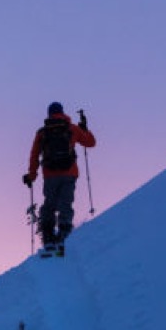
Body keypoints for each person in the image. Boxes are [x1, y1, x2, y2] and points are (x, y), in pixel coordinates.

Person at [24, 102, 97, 257]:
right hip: (69, 173)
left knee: (49, 204)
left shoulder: (42, 132)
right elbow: (91, 143)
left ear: (49, 114)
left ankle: (49, 239)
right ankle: (64, 237)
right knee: (66, 203)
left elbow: (34, 155)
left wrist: (31, 176)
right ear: (62, 112)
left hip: (50, 174)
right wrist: (85, 129)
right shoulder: (71, 129)